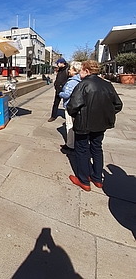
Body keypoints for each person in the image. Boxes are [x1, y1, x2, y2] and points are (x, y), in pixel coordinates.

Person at [67, 60, 123, 191]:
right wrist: (105, 114)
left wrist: (76, 115)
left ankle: (83, 180)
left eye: (81, 70)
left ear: (87, 71)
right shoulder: (107, 85)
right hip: (100, 124)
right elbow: (118, 105)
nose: (79, 73)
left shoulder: (83, 85)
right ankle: (97, 178)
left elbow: (73, 106)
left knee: (81, 150)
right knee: (97, 148)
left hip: (84, 124)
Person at [59, 61, 82, 153]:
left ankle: (70, 144)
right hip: (77, 105)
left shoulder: (72, 81)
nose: (69, 70)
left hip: (70, 105)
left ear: (75, 71)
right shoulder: (80, 80)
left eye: (71, 69)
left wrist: (60, 93)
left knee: (70, 125)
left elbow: (67, 94)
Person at [48, 58, 69, 122]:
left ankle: (69, 117)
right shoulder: (59, 70)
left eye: (58, 63)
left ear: (62, 63)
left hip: (65, 90)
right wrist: (55, 84)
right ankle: (53, 116)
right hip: (58, 89)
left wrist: (62, 85)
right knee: (55, 103)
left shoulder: (68, 70)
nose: (57, 64)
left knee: (67, 104)